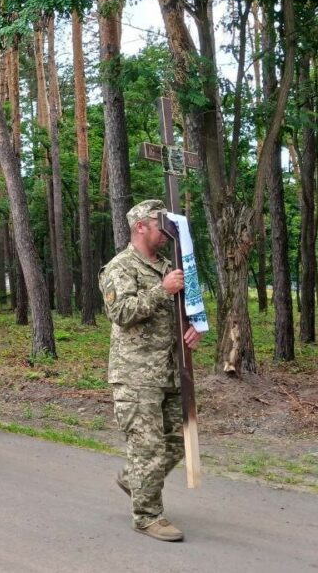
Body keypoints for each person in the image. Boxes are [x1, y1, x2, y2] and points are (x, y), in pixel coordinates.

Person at [99, 199, 202, 543]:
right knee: (148, 448)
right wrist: (163, 290)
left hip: (172, 370)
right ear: (141, 226)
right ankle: (147, 516)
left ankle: (134, 477)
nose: (167, 234)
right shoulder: (120, 267)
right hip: (136, 375)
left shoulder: (169, 265)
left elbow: (182, 307)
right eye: (162, 227)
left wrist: (192, 327)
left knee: (180, 440)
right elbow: (123, 313)